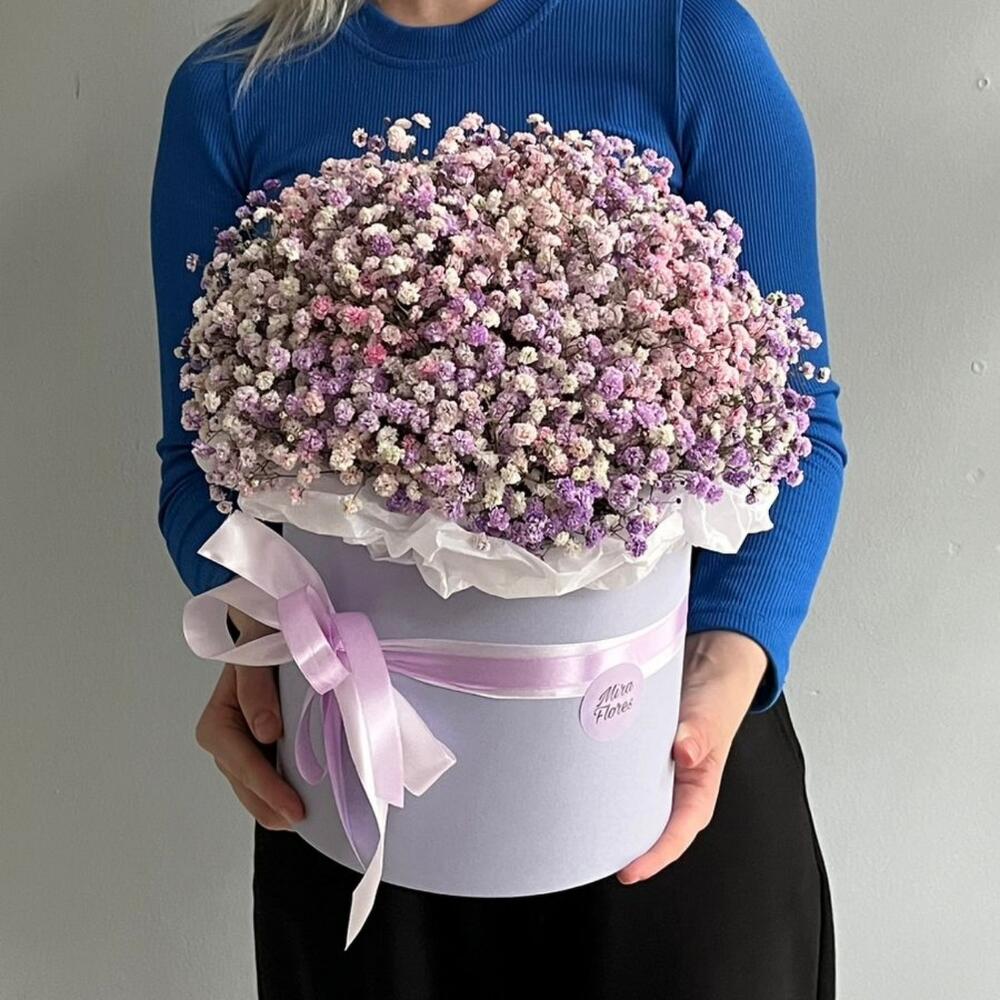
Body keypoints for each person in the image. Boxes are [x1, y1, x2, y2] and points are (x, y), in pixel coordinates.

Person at [150, 1, 846, 996]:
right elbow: (197, 464)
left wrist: (729, 662)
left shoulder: (684, 38)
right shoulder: (234, 88)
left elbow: (798, 425)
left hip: (656, 764)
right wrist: (265, 621)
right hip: (368, 791)